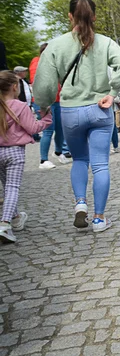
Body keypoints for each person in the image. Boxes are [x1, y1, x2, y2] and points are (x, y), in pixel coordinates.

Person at [33, 0, 120, 233]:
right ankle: (99, 218)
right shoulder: (106, 42)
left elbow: (45, 83)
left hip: (70, 110)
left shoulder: (56, 46)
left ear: (69, 17)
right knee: (100, 165)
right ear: (94, 17)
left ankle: (80, 203)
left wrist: (45, 105)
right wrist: (111, 92)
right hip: (99, 108)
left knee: (79, 159)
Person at [0, 70, 52, 243]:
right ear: (15, 87)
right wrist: (46, 118)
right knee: (12, 187)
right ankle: (5, 224)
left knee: (6, 186)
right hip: (15, 152)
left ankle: (14, 216)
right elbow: (33, 128)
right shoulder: (19, 106)